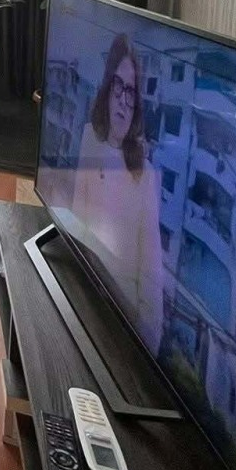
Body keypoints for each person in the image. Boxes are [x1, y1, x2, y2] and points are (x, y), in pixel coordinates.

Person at [73, 33, 165, 352]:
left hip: (123, 322)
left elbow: (151, 275)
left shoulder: (144, 175)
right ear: (107, 88)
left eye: (131, 91)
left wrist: (145, 351)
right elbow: (76, 225)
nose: (124, 100)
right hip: (86, 293)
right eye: (118, 86)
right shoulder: (89, 139)